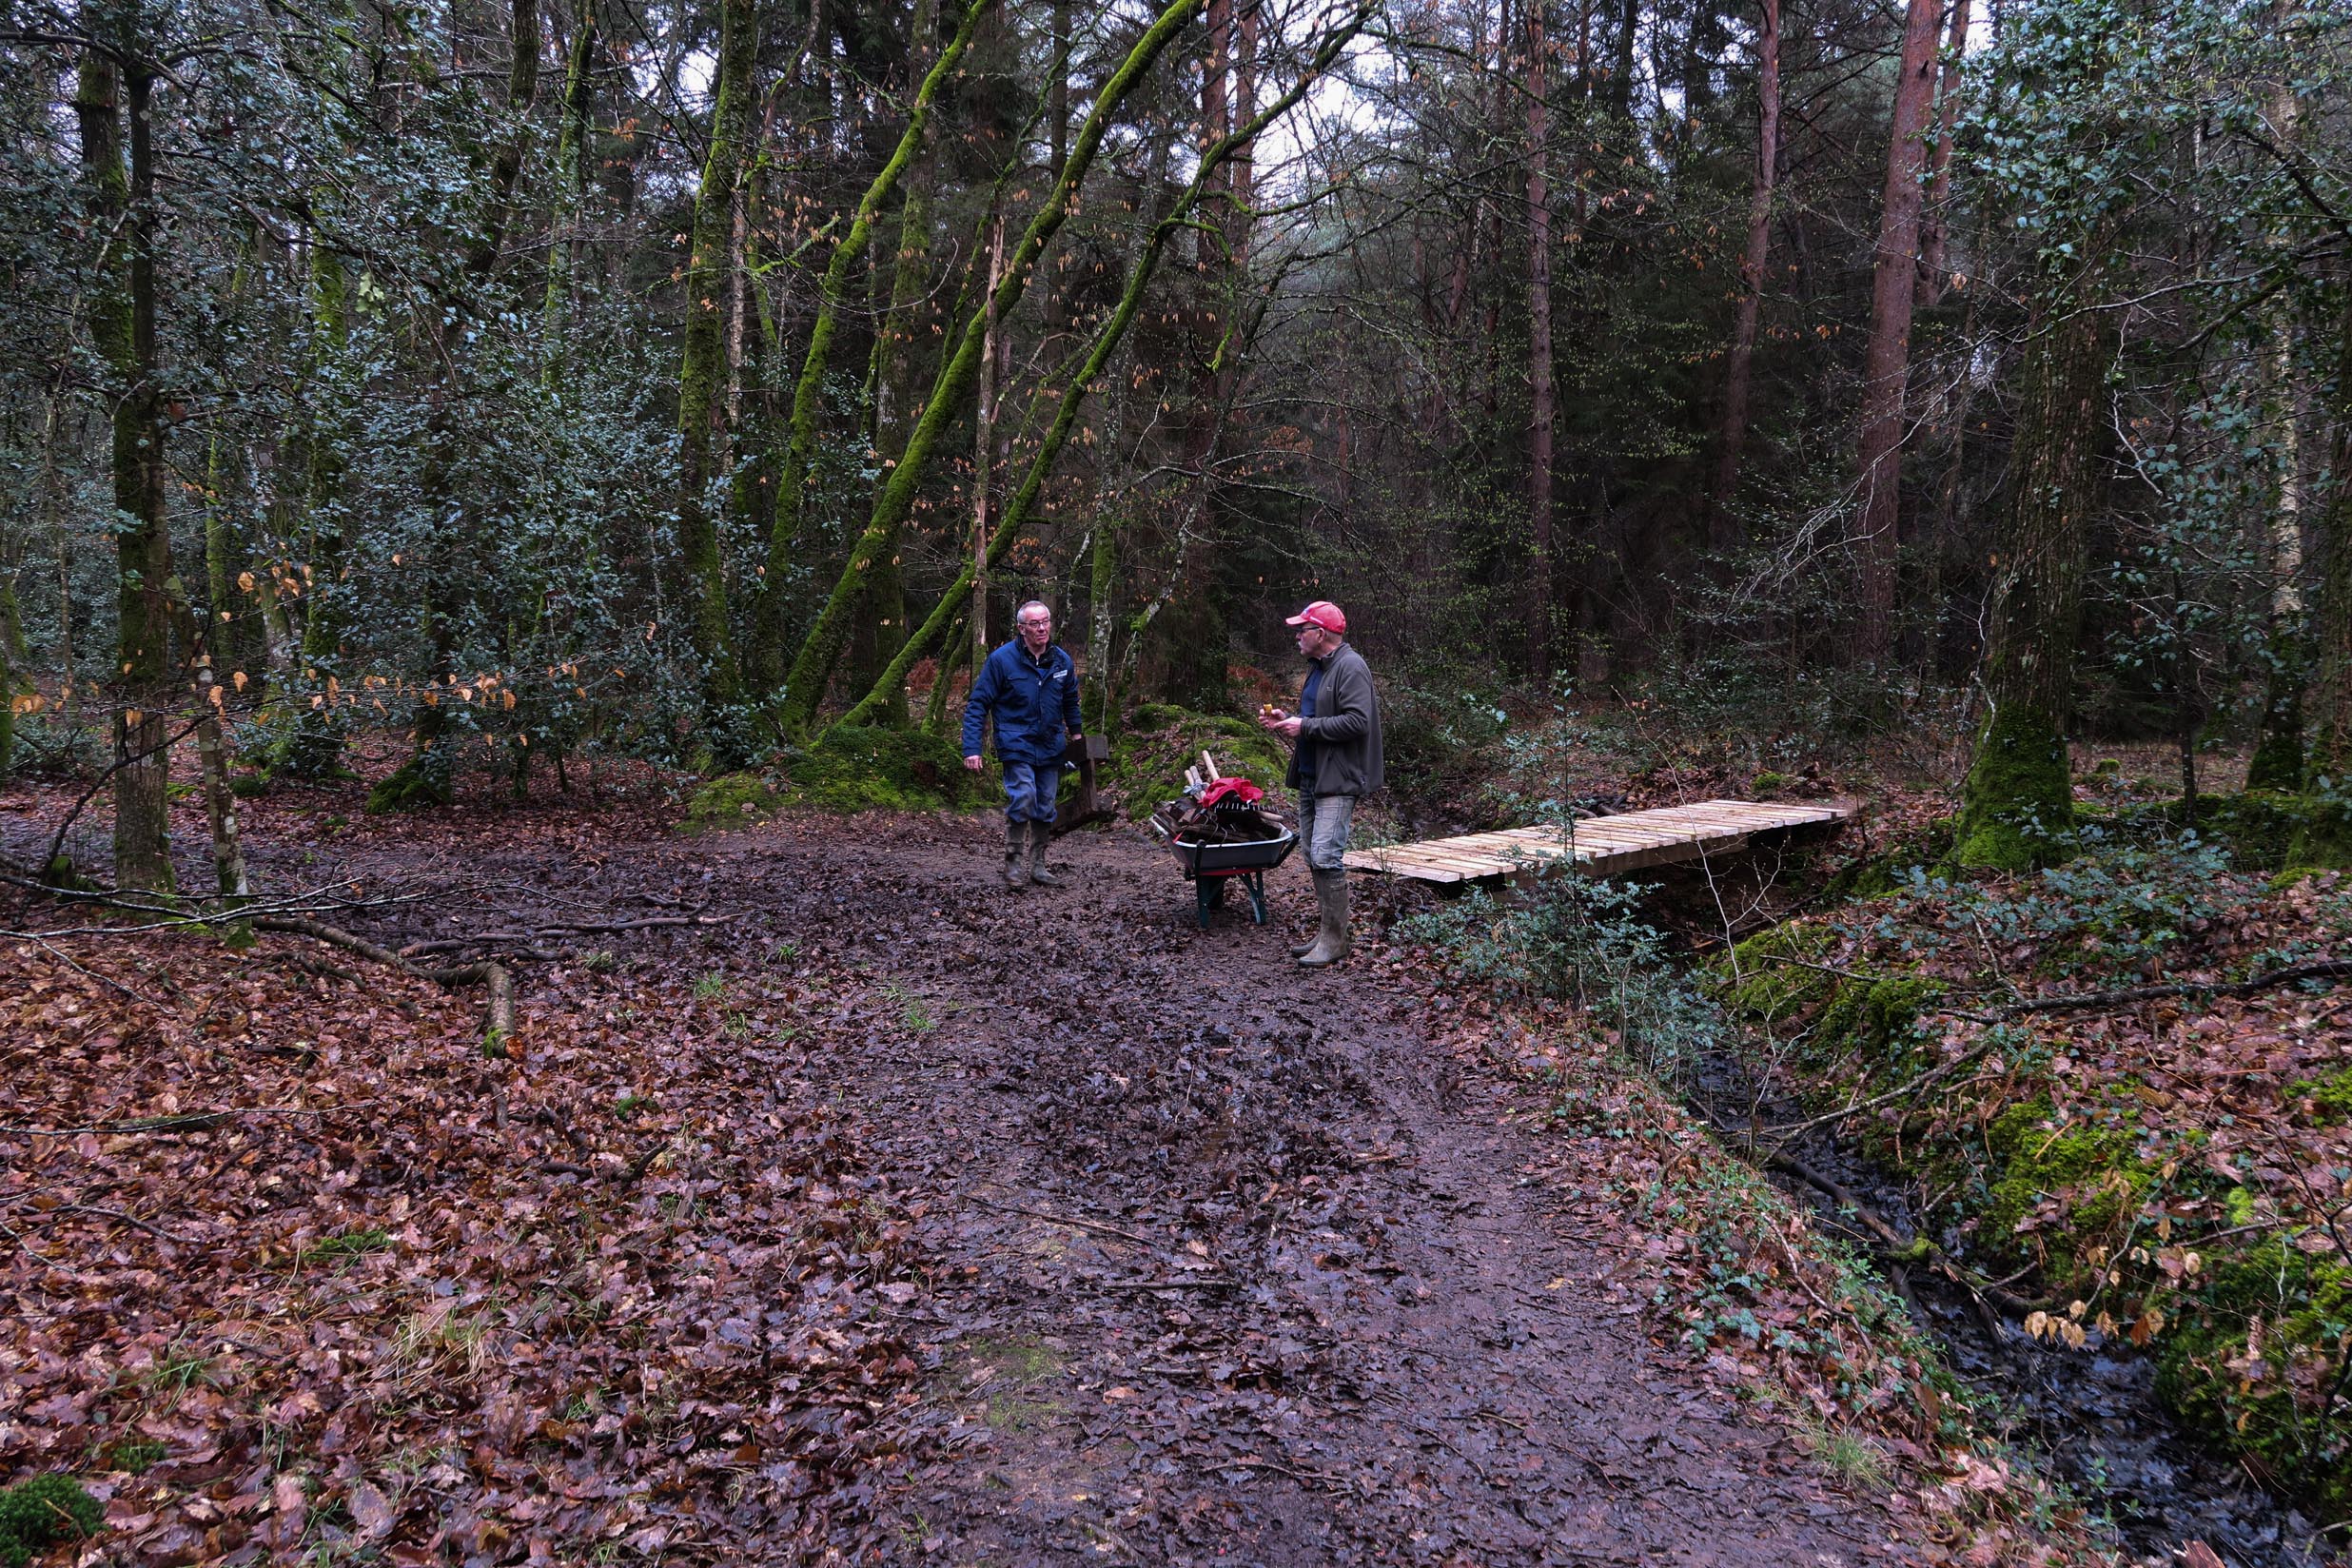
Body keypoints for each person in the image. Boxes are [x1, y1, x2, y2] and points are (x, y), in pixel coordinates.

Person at [1257, 600, 1382, 967]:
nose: (1297, 636)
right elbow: (1318, 718)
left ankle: (1336, 940)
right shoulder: (1319, 668)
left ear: (1320, 634)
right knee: (1314, 855)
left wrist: (1306, 726)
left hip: (1339, 779)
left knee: (1327, 855)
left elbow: (1358, 722)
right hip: (1313, 775)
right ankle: (1328, 932)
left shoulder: (1351, 667)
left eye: (1302, 630)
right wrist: (1290, 720)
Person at [964, 600, 1085, 889]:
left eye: (1045, 622)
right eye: (1034, 624)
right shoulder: (1002, 661)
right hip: (1015, 742)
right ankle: (1013, 863)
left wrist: (1078, 738)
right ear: (1021, 629)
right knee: (1024, 797)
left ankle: (1039, 865)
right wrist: (971, 748)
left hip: (1050, 745)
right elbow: (978, 704)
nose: (1042, 628)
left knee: (1045, 805)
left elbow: (1071, 702)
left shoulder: (1061, 661)